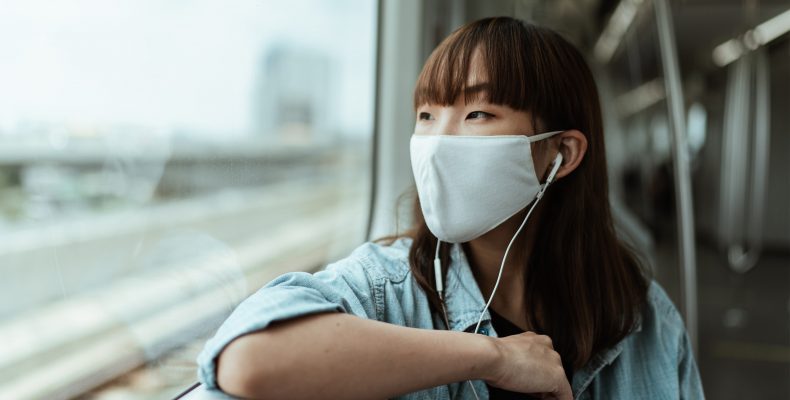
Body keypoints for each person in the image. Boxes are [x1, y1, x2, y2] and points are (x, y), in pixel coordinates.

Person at [196, 17, 704, 400]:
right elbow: (247, 359)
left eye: (477, 113)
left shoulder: (643, 318)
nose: (437, 142)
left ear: (560, 153)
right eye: (426, 114)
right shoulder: (387, 290)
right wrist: (492, 357)